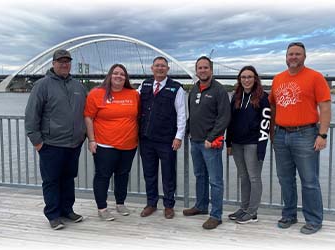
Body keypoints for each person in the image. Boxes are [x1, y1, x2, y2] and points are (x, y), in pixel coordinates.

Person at [269, 42, 331, 234]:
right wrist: (272, 132)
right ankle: (289, 214)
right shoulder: (278, 79)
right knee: (285, 178)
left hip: (305, 134)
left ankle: (313, 220)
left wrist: (322, 134)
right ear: (285, 57)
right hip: (280, 135)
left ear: (304, 57)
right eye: (290, 54)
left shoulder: (315, 77)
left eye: (297, 54)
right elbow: (273, 107)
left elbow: (325, 107)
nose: (293, 57)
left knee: (309, 180)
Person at [25, 49, 87, 230]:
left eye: (67, 61)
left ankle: (67, 210)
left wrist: (84, 136)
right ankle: (53, 214)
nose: (64, 64)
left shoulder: (78, 86)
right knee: (51, 180)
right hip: (51, 144)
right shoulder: (42, 85)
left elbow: (87, 113)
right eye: (60, 61)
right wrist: (37, 142)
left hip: (74, 144)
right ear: (53, 64)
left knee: (68, 178)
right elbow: (31, 116)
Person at [84, 64, 139, 221]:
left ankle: (120, 203)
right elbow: (88, 117)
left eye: (122, 74)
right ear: (109, 75)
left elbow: (137, 116)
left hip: (129, 145)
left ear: (126, 78)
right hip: (104, 145)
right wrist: (91, 140)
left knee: (123, 175)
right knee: (103, 176)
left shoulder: (133, 94)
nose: (119, 76)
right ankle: (102, 208)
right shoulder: (96, 93)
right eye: (115, 73)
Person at [183, 56, 231, 230]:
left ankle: (216, 215)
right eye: (199, 68)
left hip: (210, 144)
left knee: (215, 181)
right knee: (200, 176)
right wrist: (183, 133)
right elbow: (192, 115)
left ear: (211, 70)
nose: (202, 70)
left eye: (205, 68)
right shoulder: (194, 89)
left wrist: (211, 138)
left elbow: (224, 117)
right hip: (195, 142)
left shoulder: (219, 90)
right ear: (196, 70)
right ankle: (201, 206)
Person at [137, 56, 186, 219]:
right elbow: (133, 105)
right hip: (146, 139)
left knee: (168, 173)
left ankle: (168, 205)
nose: (160, 68)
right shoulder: (144, 85)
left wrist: (179, 137)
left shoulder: (176, 88)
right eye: (157, 66)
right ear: (152, 68)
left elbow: (181, 114)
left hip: (166, 140)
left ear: (167, 69)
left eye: (163, 66)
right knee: (149, 173)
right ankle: (151, 203)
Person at [226, 65, 270, 224]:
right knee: (243, 177)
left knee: (254, 178)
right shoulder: (236, 97)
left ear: (255, 79)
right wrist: (228, 142)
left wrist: (261, 148)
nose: (246, 80)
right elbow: (230, 122)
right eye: (243, 77)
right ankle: (244, 208)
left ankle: (252, 212)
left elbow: (265, 123)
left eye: (249, 77)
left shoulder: (263, 97)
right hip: (237, 143)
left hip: (253, 144)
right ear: (240, 79)